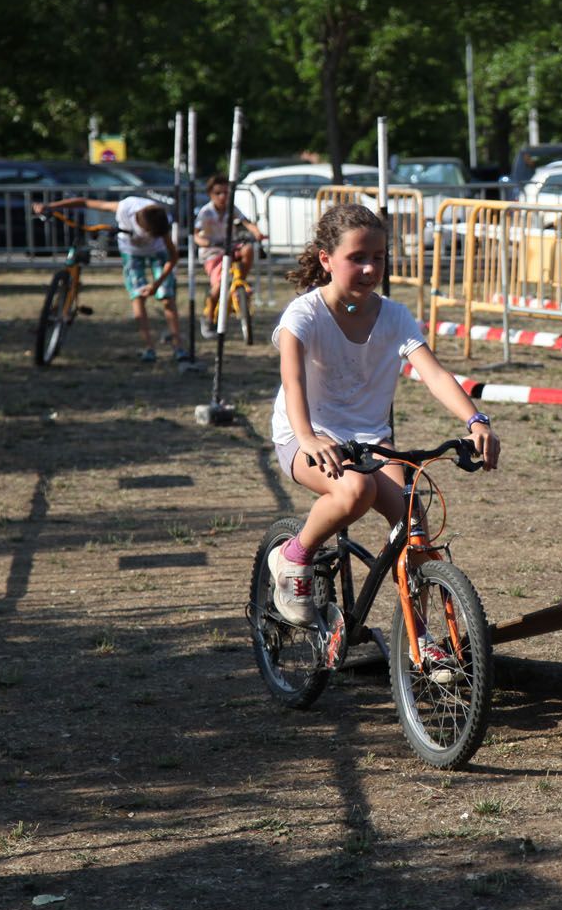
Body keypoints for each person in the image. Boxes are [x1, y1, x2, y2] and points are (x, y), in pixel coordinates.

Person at [267, 203, 500, 627]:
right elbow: (294, 380)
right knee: (355, 492)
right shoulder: (303, 315)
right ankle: (292, 556)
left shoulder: (394, 314)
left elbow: (433, 373)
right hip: (306, 434)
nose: (371, 269)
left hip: (370, 438)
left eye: (378, 257)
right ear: (327, 259)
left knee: (413, 522)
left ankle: (420, 642)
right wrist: (308, 438)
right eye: (357, 257)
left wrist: (476, 420)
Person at [34, 194, 186, 361]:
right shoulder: (126, 208)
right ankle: (149, 348)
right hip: (131, 252)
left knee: (167, 297)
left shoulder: (161, 221)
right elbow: (86, 202)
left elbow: (173, 257)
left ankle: (178, 346)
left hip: (158, 254)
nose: (151, 238)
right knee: (137, 296)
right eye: (150, 235)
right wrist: (52, 206)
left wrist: (157, 284)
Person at [194, 175, 267, 339]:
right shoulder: (206, 212)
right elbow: (196, 234)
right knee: (219, 287)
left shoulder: (232, 208)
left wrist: (257, 233)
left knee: (248, 249)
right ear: (211, 195)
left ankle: (240, 281)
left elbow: (247, 223)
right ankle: (208, 318)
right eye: (218, 193)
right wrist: (204, 242)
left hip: (230, 247)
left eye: (226, 193)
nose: (223, 197)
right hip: (213, 253)